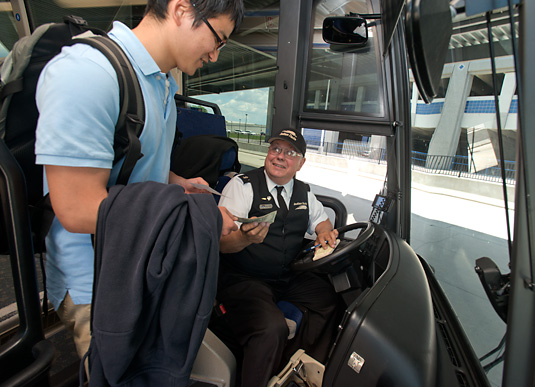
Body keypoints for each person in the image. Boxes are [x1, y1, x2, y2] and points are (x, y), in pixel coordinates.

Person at [34, 0, 244, 360]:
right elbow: (76, 208)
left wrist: (174, 181)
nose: (214, 56)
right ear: (181, 10)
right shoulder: (89, 72)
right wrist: (201, 218)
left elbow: (134, 170)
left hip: (139, 263)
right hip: (98, 281)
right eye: (217, 39)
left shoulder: (161, 84)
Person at [217, 128, 341, 387]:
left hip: (286, 276)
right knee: (271, 329)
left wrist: (324, 233)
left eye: (290, 152)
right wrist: (245, 238)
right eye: (275, 149)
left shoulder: (304, 193)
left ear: (301, 163)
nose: (280, 156)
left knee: (330, 300)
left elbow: (322, 221)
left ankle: (289, 366)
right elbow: (220, 244)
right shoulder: (242, 186)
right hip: (243, 278)